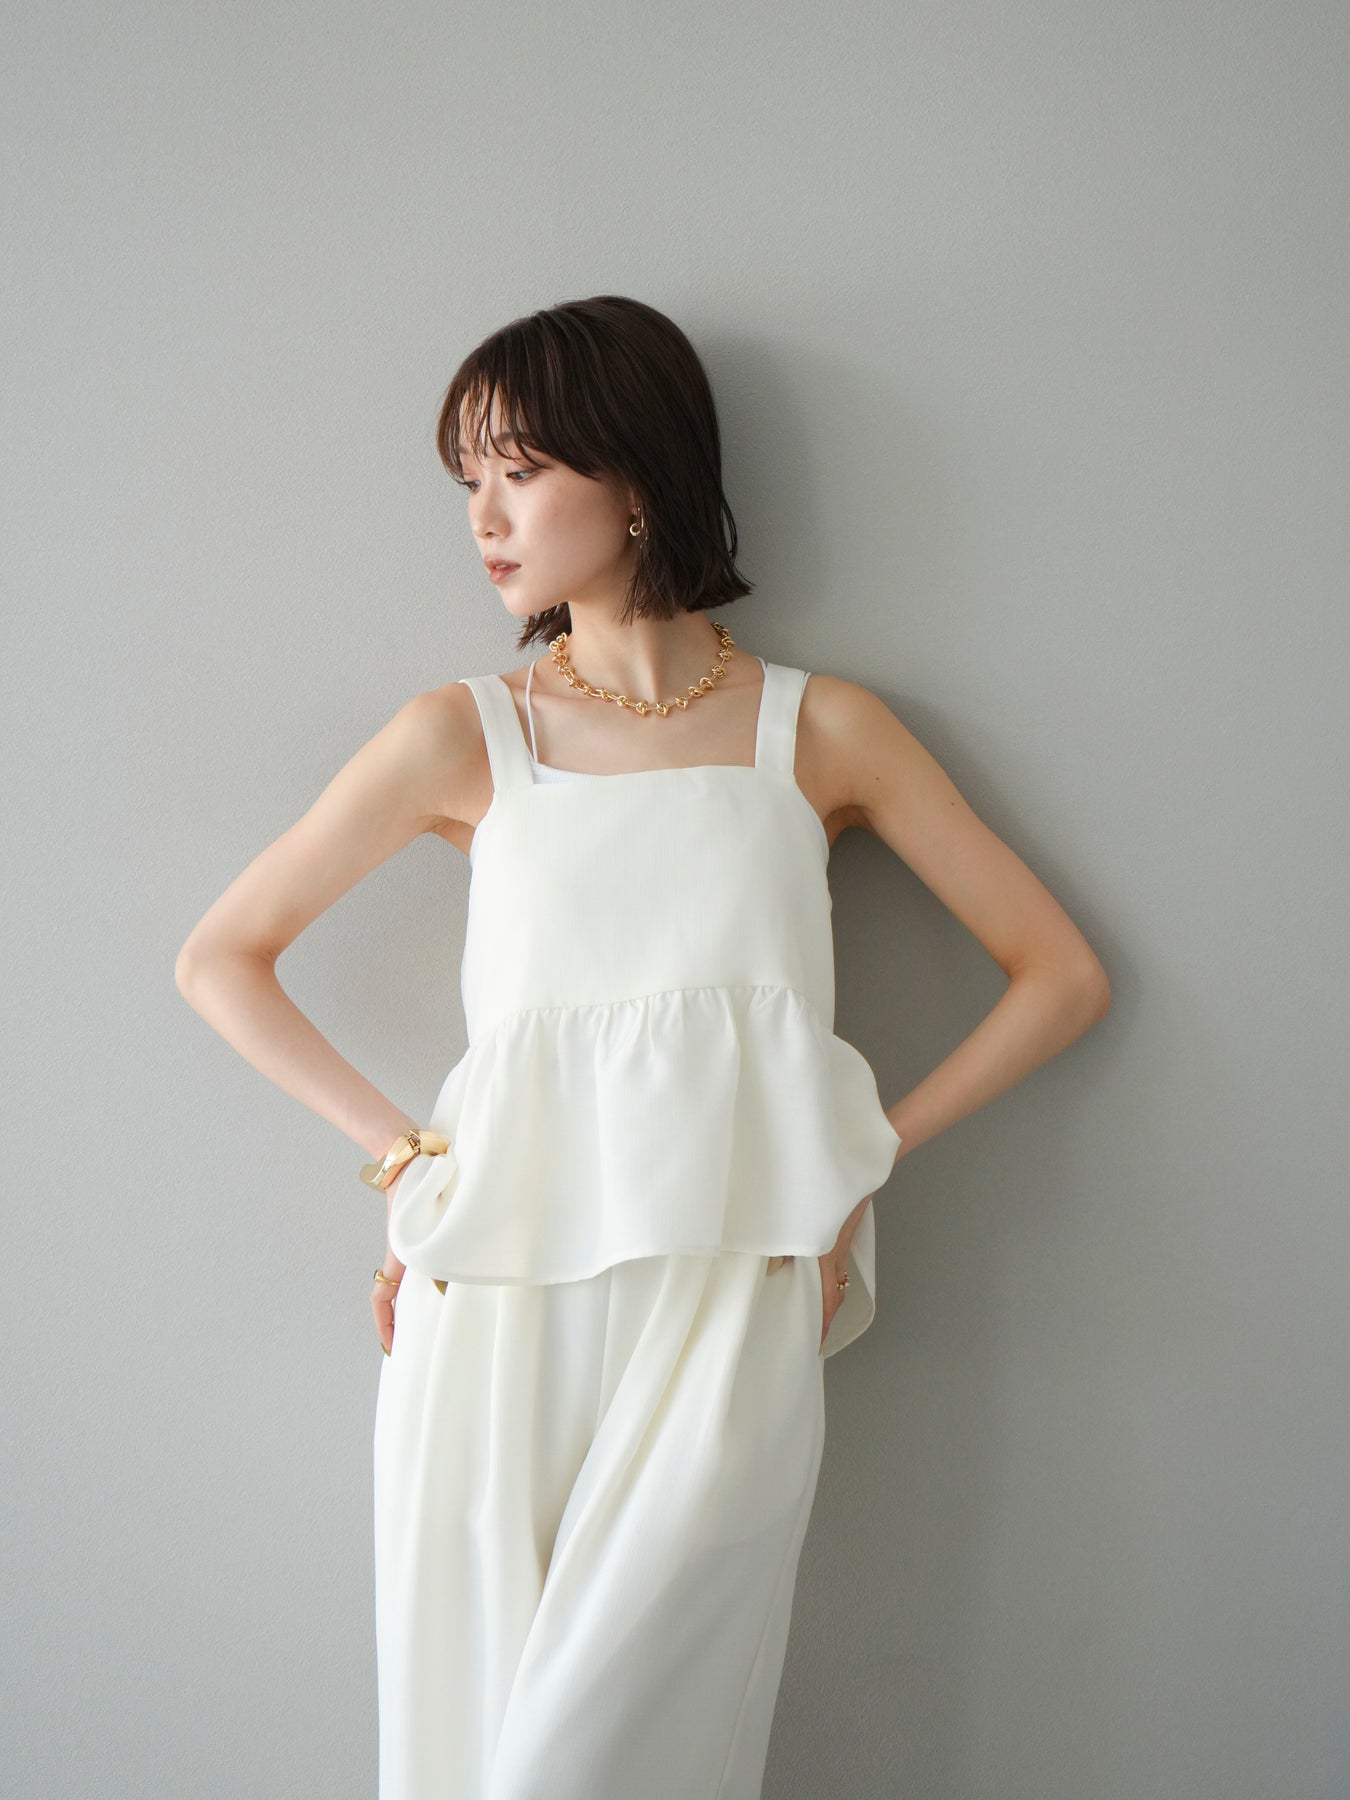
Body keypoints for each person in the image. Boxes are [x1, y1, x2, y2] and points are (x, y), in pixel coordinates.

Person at [175, 293, 1111, 1799]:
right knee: (481, 1748)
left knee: (614, 1757)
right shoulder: (463, 732)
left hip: (737, 1289)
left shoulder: (820, 729)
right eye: (467, 478)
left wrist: (857, 1161)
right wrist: (406, 1160)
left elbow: (1058, 977)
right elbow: (219, 960)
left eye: (522, 470)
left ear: (637, 478)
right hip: (492, 1295)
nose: (483, 518)